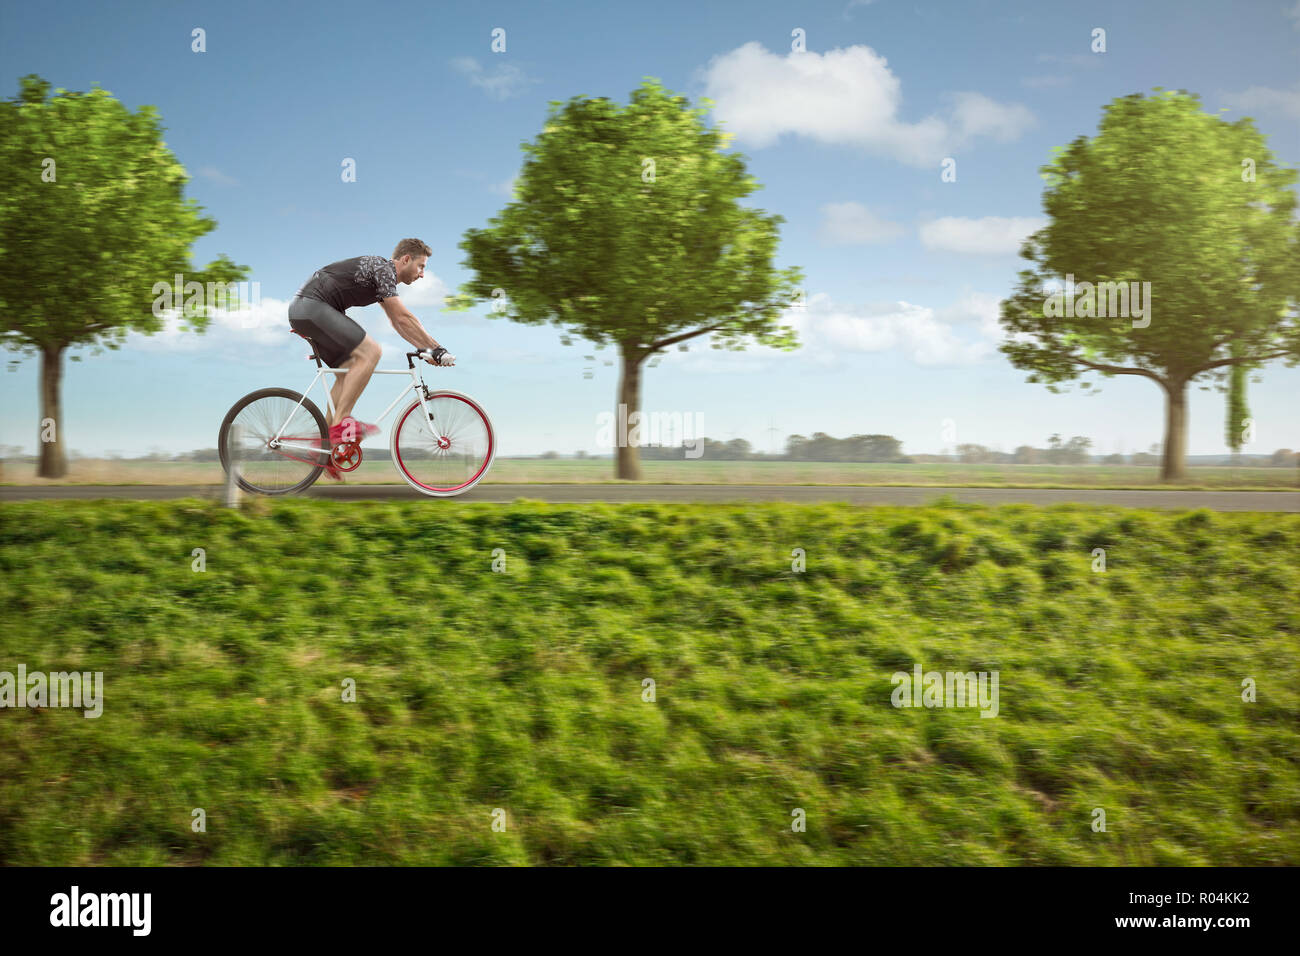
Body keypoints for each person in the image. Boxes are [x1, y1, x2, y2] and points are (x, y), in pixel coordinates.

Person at [288, 238, 453, 479]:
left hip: (307, 310)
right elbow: (404, 317)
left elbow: (398, 322)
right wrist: (437, 348)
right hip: (312, 307)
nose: (422, 274)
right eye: (421, 266)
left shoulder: (382, 279)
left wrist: (426, 349)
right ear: (406, 259)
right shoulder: (384, 269)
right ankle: (340, 426)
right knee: (371, 352)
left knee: (348, 369)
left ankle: (324, 449)